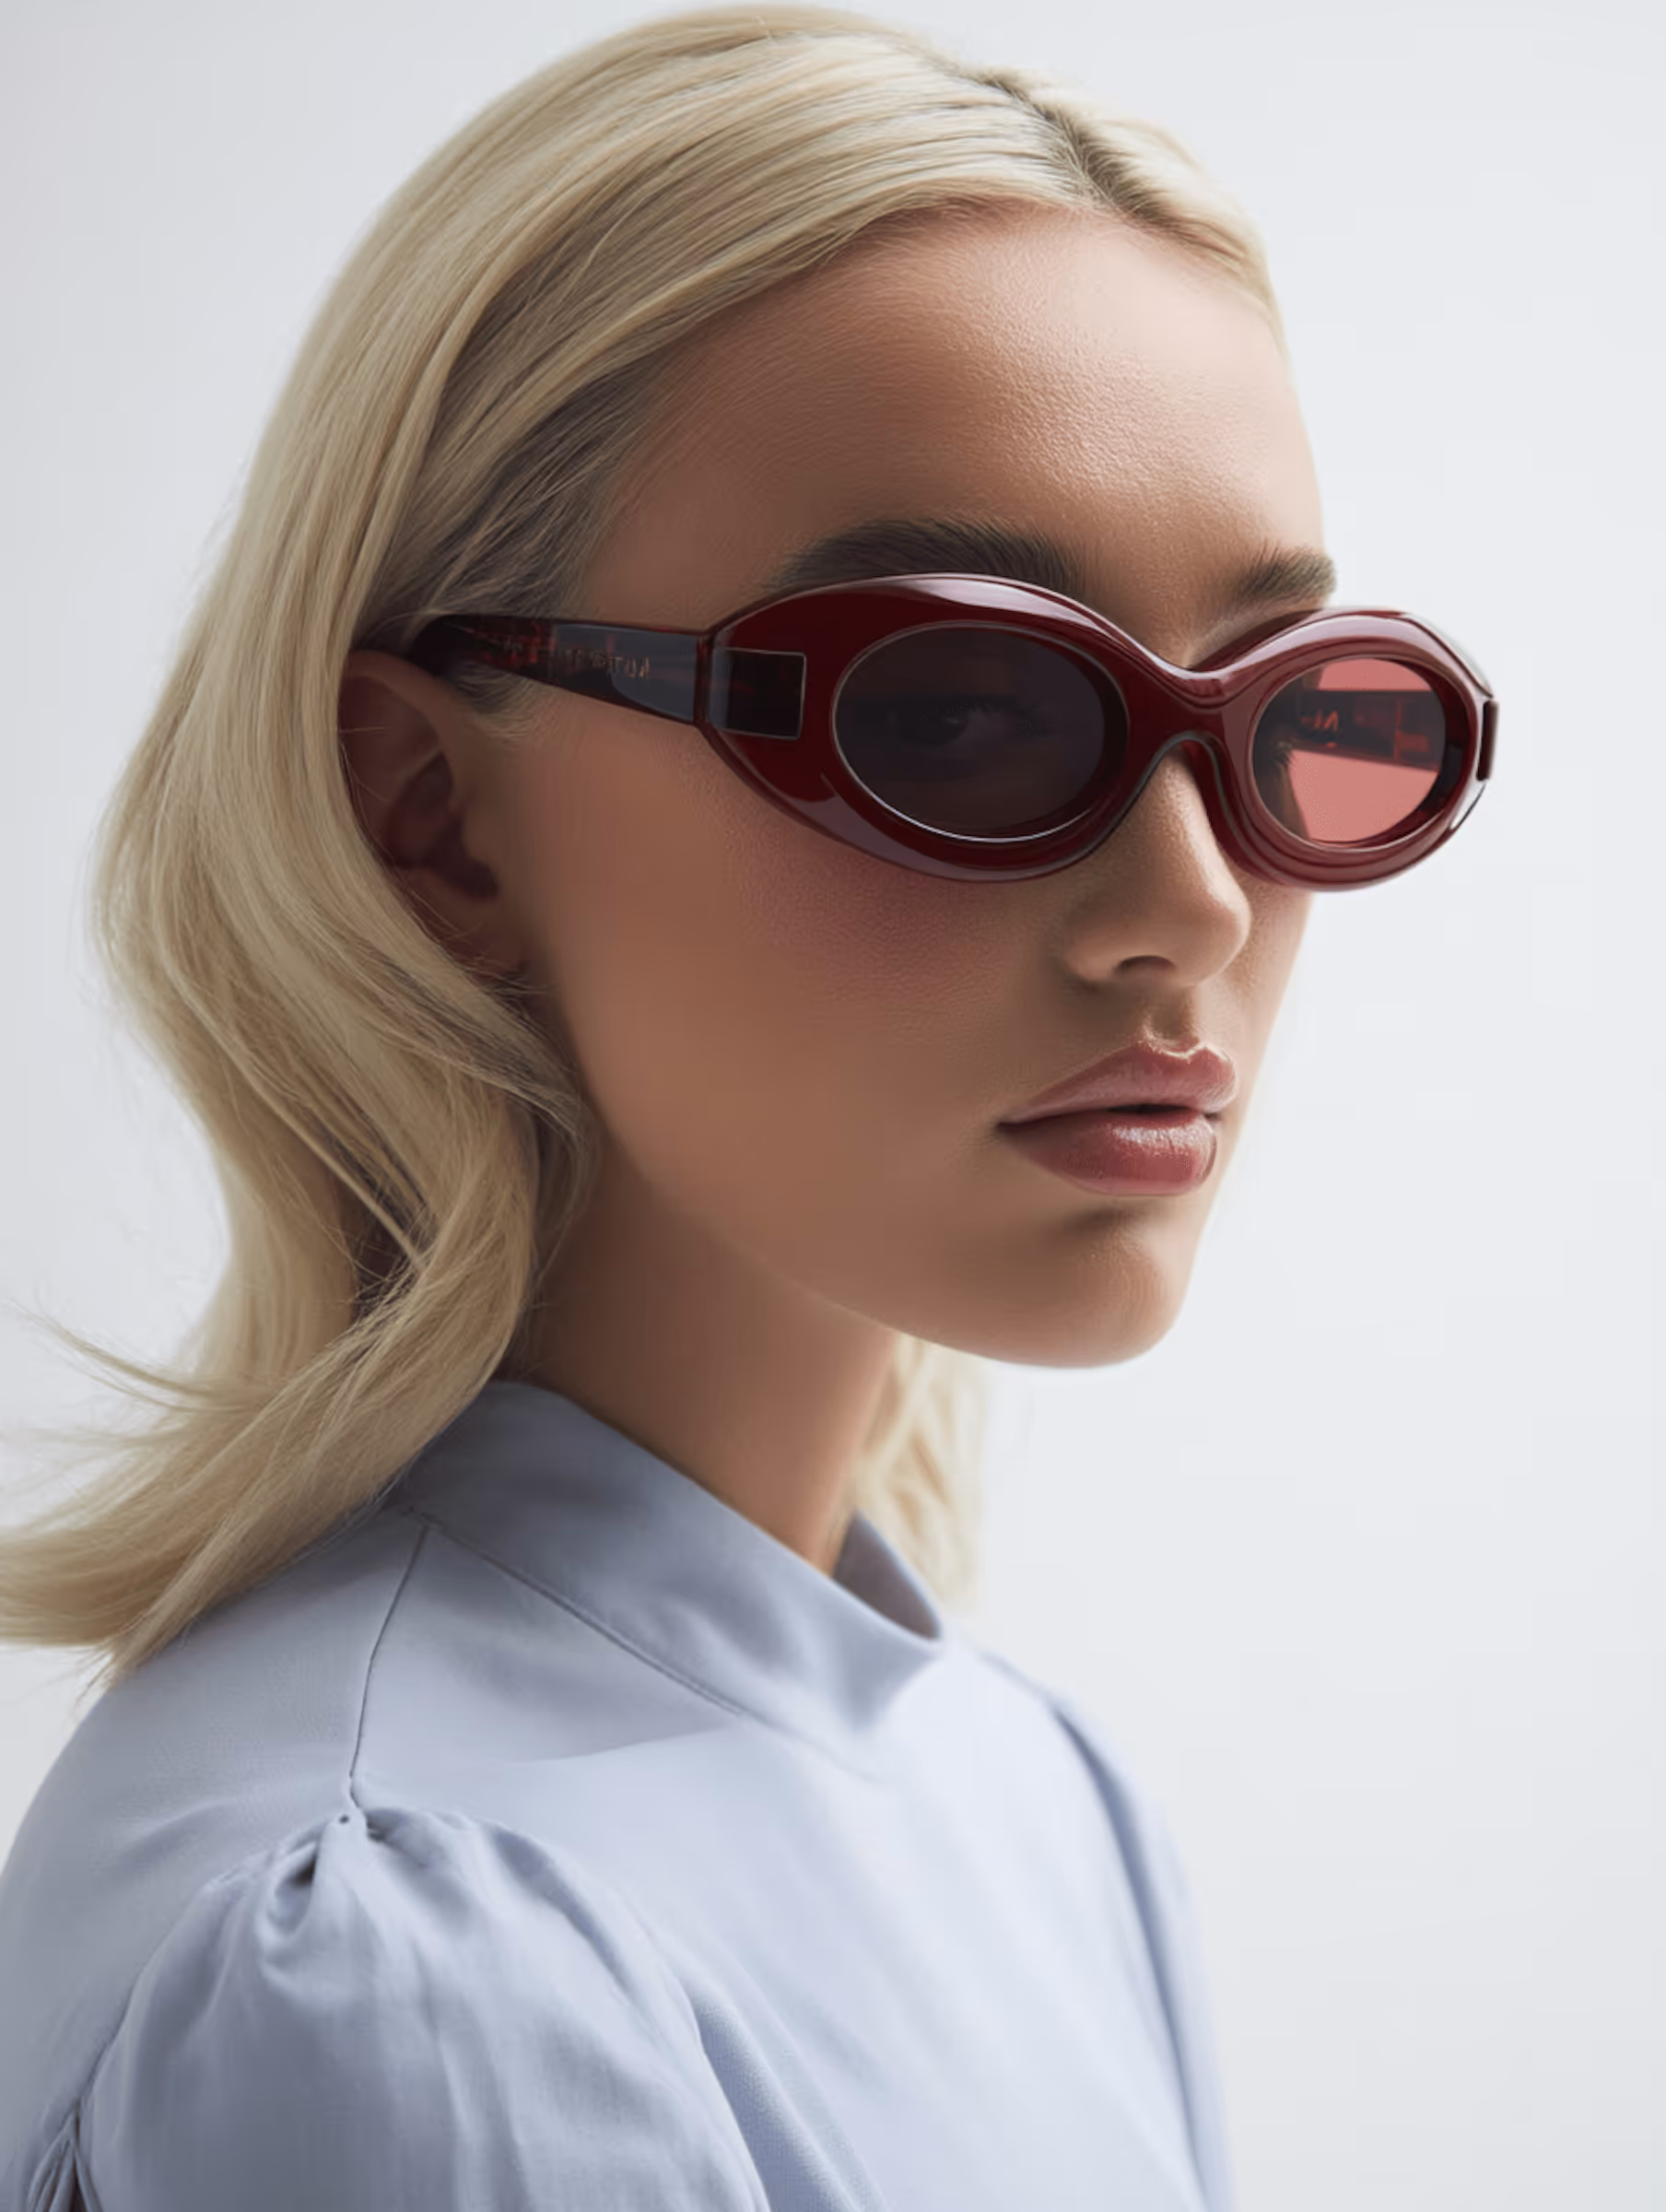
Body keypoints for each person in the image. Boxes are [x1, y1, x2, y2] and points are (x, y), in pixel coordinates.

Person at [0, 6, 1496, 2208]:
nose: (1192, 906)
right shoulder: (399, 1964)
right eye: (962, 709)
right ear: (431, 818)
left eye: (1292, 716)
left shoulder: (1038, 1802)